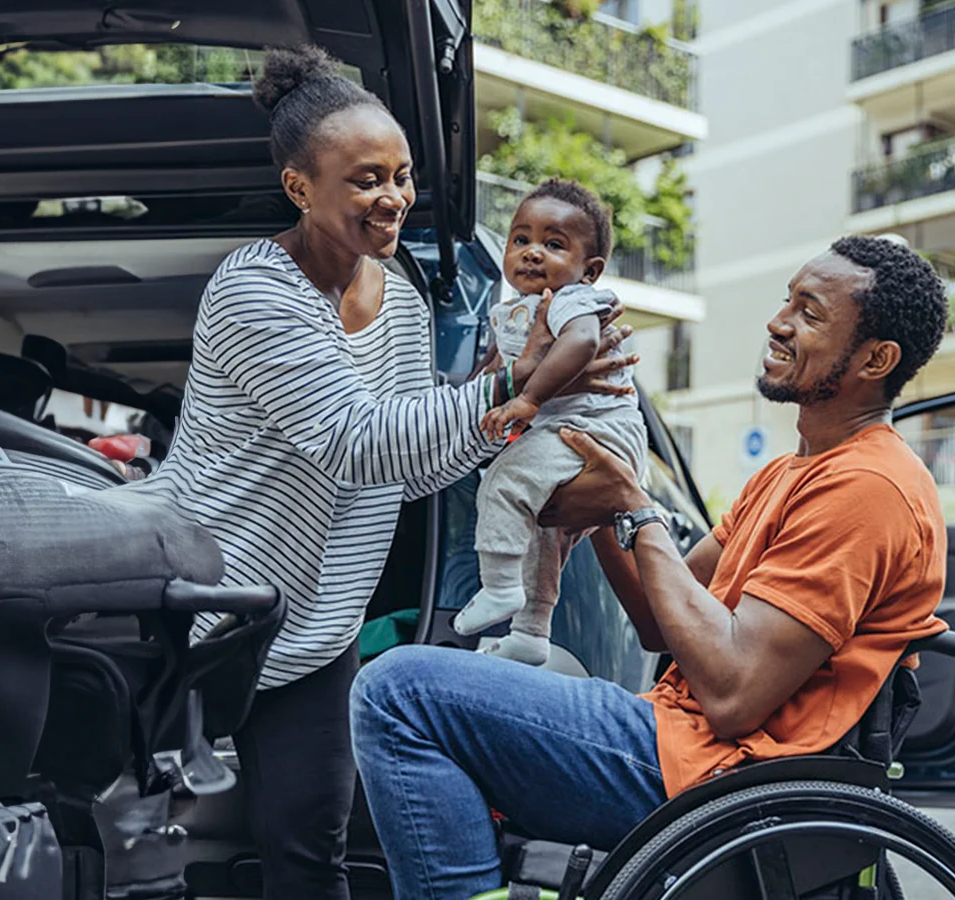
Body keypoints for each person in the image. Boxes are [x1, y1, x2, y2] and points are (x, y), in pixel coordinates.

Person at [124, 45, 634, 900]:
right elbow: (355, 440)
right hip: (208, 613)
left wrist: (527, 410)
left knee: (308, 852)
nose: (393, 196)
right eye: (365, 179)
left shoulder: (397, 294)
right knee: (146, 849)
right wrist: (513, 383)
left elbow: (411, 457)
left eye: (400, 175)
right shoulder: (255, 291)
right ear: (299, 188)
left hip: (319, 627)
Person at [351, 235, 953, 900]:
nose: (778, 323)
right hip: (683, 743)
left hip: (723, 775)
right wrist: (607, 505)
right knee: (483, 673)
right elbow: (659, 622)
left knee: (399, 692)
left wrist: (634, 507)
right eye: (787, 302)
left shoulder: (869, 488)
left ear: (877, 358)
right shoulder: (791, 472)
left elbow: (732, 694)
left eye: (810, 314)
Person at [452, 179, 647, 665]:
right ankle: (531, 632)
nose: (532, 253)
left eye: (553, 244)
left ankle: (498, 589)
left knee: (505, 479)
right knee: (541, 535)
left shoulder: (572, 300)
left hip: (596, 433)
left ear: (590, 270)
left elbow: (580, 344)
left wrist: (529, 399)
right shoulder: (511, 312)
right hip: (568, 435)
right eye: (521, 240)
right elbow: (489, 376)